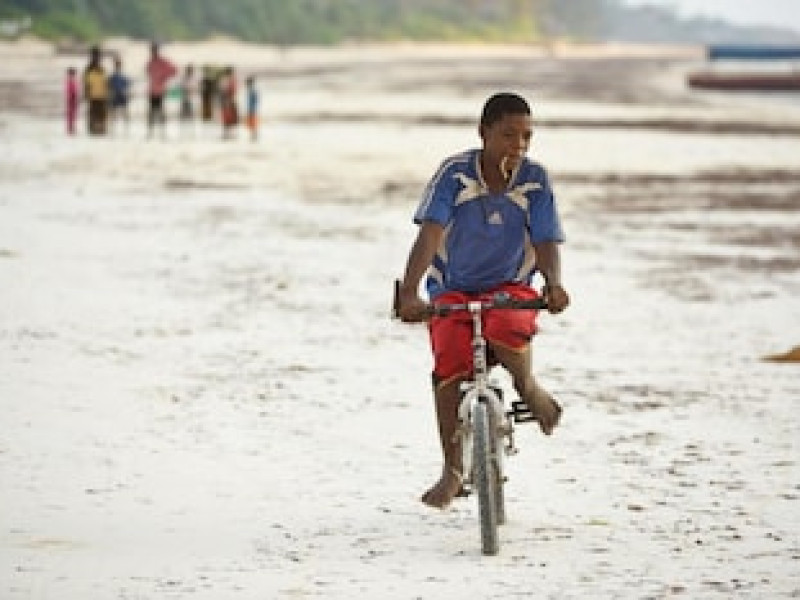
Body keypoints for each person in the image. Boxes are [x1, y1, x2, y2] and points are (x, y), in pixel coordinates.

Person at [396, 92, 570, 509]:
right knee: (449, 360)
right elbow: (430, 233)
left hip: (511, 285)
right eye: (508, 135)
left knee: (506, 324)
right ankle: (452, 470)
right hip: (452, 287)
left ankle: (527, 386)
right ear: (483, 133)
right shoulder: (455, 174)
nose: (519, 145)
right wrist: (410, 292)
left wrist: (553, 284)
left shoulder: (535, 179)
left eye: (526, 137)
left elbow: (545, 239)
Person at [145, 41, 177, 139]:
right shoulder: (150, 63)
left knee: (160, 111)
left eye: (154, 50)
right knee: (151, 112)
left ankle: (162, 132)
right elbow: (148, 73)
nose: (153, 52)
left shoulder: (162, 62)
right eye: (152, 50)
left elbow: (174, 70)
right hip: (152, 90)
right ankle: (150, 132)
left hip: (160, 90)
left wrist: (164, 77)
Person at [83, 45, 108, 135]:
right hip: (94, 94)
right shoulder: (89, 69)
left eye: (98, 55)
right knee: (94, 112)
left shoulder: (100, 68)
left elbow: (105, 81)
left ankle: (100, 128)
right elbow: (86, 82)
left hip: (101, 94)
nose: (97, 57)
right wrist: (86, 93)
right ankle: (94, 128)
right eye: (96, 55)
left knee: (100, 112)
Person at [108, 56, 131, 135]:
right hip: (115, 95)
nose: (117, 65)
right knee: (114, 113)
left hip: (121, 94)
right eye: (116, 64)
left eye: (118, 64)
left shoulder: (122, 75)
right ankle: (113, 129)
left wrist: (126, 92)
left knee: (124, 112)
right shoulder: (113, 75)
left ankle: (126, 129)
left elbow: (127, 84)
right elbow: (110, 85)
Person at [178, 63, 196, 135]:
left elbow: (194, 87)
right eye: (189, 70)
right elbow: (181, 86)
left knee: (190, 112)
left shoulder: (193, 78)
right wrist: (185, 90)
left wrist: (191, 90)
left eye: (191, 70)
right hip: (185, 97)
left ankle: (190, 129)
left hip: (190, 97)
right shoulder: (183, 77)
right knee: (184, 111)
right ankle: (183, 128)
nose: (190, 71)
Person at [64, 67, 79, 135]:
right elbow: (70, 91)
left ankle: (71, 127)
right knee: (71, 114)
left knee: (73, 114)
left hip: (72, 98)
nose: (73, 75)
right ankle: (70, 127)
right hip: (71, 98)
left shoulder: (73, 81)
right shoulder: (70, 81)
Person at [244, 75, 259, 141]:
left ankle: (254, 135)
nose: (246, 85)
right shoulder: (251, 90)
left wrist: (251, 108)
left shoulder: (252, 90)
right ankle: (253, 135)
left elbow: (254, 101)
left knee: (253, 123)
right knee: (252, 123)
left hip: (252, 109)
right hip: (252, 108)